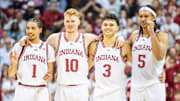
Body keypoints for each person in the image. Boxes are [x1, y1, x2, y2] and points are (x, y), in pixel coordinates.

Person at [8, 18, 55, 101]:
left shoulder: (48, 48)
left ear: (40, 30)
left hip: (41, 90)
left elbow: (50, 76)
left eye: (33, 28)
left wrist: (49, 76)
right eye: (28, 28)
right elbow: (11, 74)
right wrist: (14, 64)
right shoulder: (19, 46)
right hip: (22, 89)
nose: (29, 31)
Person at [128, 5, 169, 101]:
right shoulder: (134, 35)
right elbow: (125, 51)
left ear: (153, 17)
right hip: (137, 86)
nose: (143, 19)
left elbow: (159, 56)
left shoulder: (162, 35)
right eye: (140, 16)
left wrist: (151, 33)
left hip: (154, 84)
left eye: (146, 16)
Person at [88, 13, 132, 101]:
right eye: (105, 25)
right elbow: (89, 68)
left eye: (111, 25)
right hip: (98, 93)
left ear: (118, 28)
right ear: (101, 26)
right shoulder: (94, 45)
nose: (108, 27)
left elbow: (137, 66)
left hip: (117, 93)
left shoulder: (124, 46)